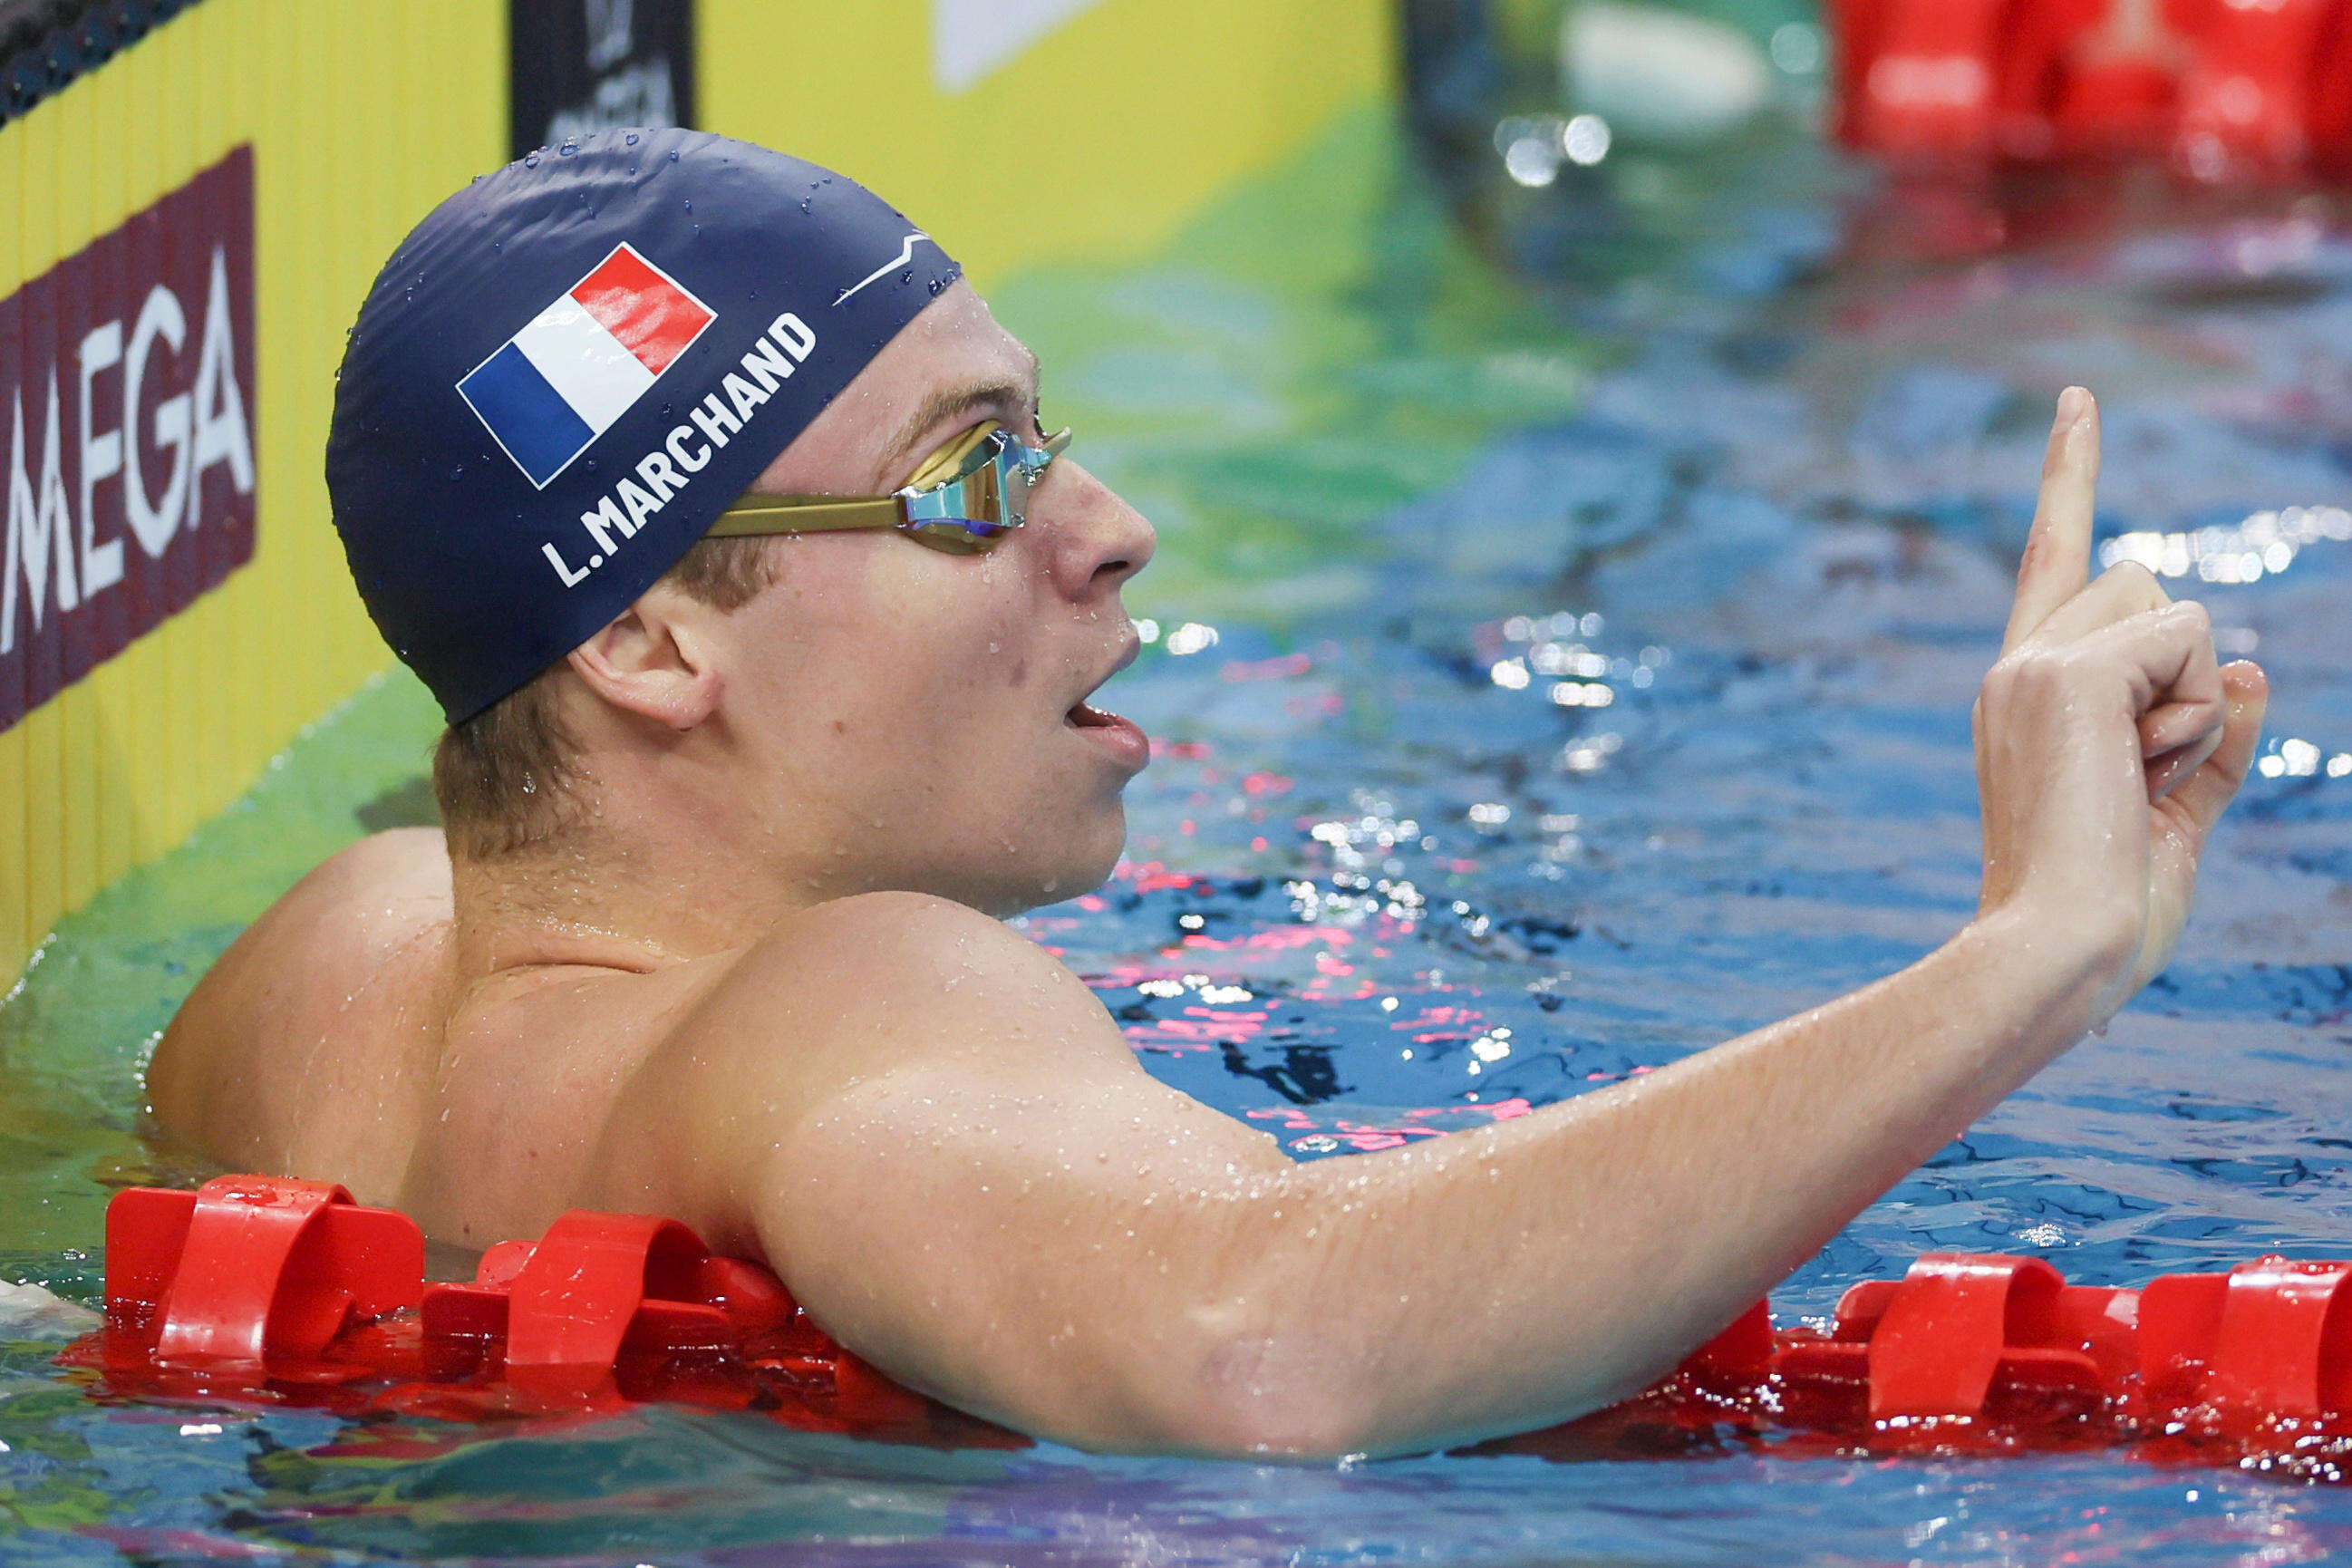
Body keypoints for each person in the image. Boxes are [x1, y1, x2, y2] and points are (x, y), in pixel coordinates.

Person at [147, 129, 2269, 1457]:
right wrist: (2024, 956)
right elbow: (1269, 1340)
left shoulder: (305, 982)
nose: (1115, 525)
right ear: (648, 641)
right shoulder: (845, 1005)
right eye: (973, 474)